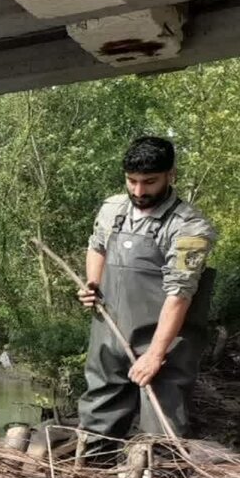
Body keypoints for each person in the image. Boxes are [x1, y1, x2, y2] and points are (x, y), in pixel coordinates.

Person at [77, 136, 216, 445]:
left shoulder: (190, 228)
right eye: (132, 181)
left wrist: (155, 354)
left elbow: (180, 294)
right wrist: (93, 284)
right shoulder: (112, 208)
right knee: (98, 418)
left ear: (171, 175)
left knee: (161, 431)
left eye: (149, 182)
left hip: (165, 343)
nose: (139, 191)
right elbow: (96, 246)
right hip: (110, 333)